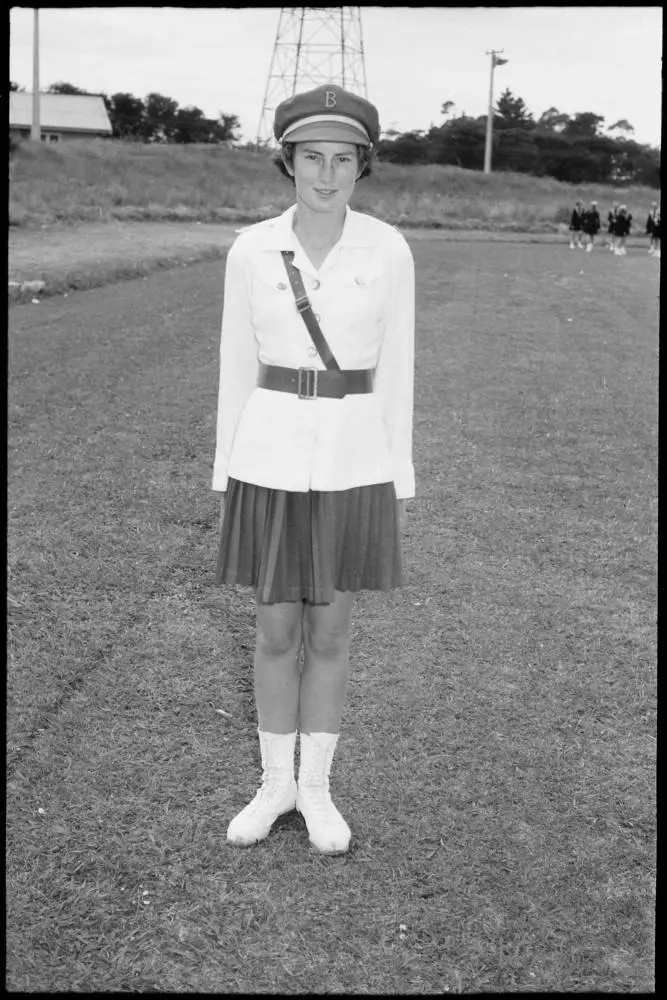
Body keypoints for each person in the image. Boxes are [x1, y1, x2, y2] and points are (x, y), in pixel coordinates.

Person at [212, 84, 415, 855]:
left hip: (351, 458)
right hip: (267, 454)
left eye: (342, 160)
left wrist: (395, 473)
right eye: (310, 158)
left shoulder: (388, 248)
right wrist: (226, 467)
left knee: (330, 631)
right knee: (273, 628)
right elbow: (235, 363)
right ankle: (273, 786)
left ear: (362, 166)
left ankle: (318, 791)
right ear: (286, 163)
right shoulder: (251, 248)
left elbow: (396, 369)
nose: (326, 176)